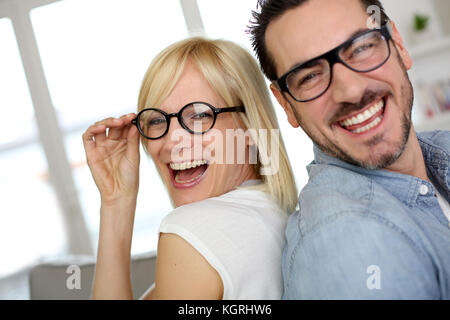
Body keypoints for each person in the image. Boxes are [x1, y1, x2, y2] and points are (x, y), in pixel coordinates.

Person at [249, 0, 450, 299]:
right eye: (309, 76)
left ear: (398, 45)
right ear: (286, 104)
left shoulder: (439, 148)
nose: (351, 91)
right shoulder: (350, 243)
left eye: (360, 48)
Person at [82, 37, 298, 299]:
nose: (171, 140)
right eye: (157, 120)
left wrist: (116, 207)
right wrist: (117, 199)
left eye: (199, 115)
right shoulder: (274, 213)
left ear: (250, 125)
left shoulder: (190, 231)